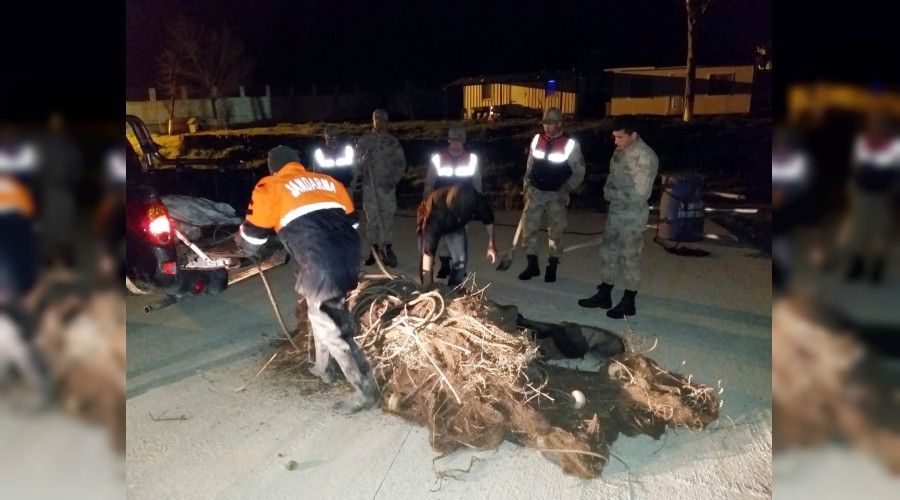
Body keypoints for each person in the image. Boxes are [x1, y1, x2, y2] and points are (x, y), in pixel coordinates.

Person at [235, 146, 378, 414]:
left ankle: (365, 391)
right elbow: (353, 224)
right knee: (318, 313)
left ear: (272, 167)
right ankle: (323, 368)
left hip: (320, 261)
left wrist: (240, 238)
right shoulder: (328, 181)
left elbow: (253, 242)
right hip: (348, 254)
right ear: (299, 163)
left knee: (332, 326)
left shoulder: (269, 187)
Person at [578, 116, 658, 318]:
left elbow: (641, 193)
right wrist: (607, 188)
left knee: (630, 257)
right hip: (615, 212)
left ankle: (629, 301)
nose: (616, 141)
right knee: (609, 253)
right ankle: (604, 294)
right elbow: (612, 175)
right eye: (614, 137)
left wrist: (614, 194)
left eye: (620, 137)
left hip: (633, 215)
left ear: (633, 135)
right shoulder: (620, 152)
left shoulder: (645, 156)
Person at [825, 113, 899, 283]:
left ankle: (877, 266)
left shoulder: (894, 146)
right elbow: (855, 167)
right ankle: (857, 264)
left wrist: (893, 192)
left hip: (883, 195)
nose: (877, 128)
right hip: (863, 193)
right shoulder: (862, 143)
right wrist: (852, 189)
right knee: (858, 229)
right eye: (874, 124)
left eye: (880, 124)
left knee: (880, 230)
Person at [518, 107, 585, 283]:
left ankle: (552, 265)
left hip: (556, 194)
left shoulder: (570, 144)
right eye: (545, 123)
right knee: (529, 229)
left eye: (551, 123)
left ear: (560, 123)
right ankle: (532, 265)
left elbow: (579, 171)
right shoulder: (537, 139)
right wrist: (526, 186)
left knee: (556, 232)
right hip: (535, 191)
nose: (547, 127)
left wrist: (567, 187)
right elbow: (530, 165)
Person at [424, 125, 483, 280]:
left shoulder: (472, 159)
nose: (456, 144)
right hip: (442, 204)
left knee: (461, 235)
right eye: (453, 141)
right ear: (449, 141)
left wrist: (478, 203)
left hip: (463, 205)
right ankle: (444, 265)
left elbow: (477, 182)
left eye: (459, 142)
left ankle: (459, 266)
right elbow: (429, 182)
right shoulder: (438, 159)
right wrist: (427, 203)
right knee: (443, 235)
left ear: (463, 142)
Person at [417, 182, 497, 288]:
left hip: (456, 226)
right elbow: (428, 252)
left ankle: (453, 289)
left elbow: (489, 219)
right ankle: (426, 287)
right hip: (430, 217)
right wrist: (427, 289)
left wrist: (491, 245)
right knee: (426, 260)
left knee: (461, 259)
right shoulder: (437, 210)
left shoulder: (477, 200)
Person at [356, 109, 406, 268]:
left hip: (387, 187)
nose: (382, 123)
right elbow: (354, 166)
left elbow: (401, 164)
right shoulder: (364, 141)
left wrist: (394, 180)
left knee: (387, 218)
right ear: (373, 121)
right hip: (370, 187)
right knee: (372, 220)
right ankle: (374, 250)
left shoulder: (393, 142)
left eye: (384, 121)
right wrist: (362, 161)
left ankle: (387, 248)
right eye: (378, 120)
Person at [311, 124, 356, 192]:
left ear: (337, 136)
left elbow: (354, 168)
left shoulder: (347, 149)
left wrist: (353, 184)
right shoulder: (320, 152)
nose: (331, 138)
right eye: (328, 136)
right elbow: (316, 172)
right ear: (325, 136)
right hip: (327, 189)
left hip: (345, 187)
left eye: (333, 136)